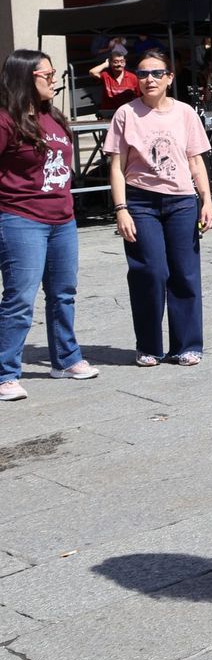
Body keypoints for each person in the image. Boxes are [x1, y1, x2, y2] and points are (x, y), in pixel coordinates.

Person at [106, 49, 212, 366]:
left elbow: (196, 161)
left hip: (181, 201)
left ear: (169, 78)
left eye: (155, 73)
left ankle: (188, 344)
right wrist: (120, 208)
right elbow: (116, 166)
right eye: (141, 74)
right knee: (149, 272)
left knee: (185, 272)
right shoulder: (125, 114)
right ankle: (149, 345)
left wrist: (206, 200)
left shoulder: (185, 113)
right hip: (140, 201)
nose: (148, 79)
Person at [0, 50, 95, 399]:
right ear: (26, 78)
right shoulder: (5, 120)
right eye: (48, 74)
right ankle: (4, 372)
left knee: (63, 294)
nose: (54, 80)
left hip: (63, 219)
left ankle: (65, 360)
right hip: (21, 219)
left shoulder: (53, 116)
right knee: (20, 299)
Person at [90, 44, 139, 114]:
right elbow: (92, 72)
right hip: (109, 112)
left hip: (127, 113)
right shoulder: (106, 75)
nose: (119, 64)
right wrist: (105, 64)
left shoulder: (132, 77)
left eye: (122, 62)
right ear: (111, 63)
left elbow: (139, 96)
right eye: (116, 62)